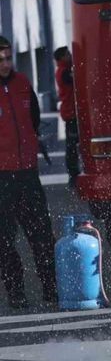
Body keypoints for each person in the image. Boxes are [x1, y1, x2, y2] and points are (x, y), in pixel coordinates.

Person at [0, 37, 57, 308]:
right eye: (0, 59)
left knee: (42, 236)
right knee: (5, 241)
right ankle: (17, 294)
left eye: (8, 58)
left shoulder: (22, 83)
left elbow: (33, 119)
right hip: (2, 178)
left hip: (28, 175)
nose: (5, 64)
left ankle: (51, 290)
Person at [53, 47, 79, 187]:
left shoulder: (64, 70)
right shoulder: (64, 72)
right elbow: (76, 78)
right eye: (68, 54)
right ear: (62, 57)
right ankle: (73, 175)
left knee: (73, 145)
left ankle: (74, 173)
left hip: (71, 112)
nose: (70, 56)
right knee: (72, 145)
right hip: (70, 113)